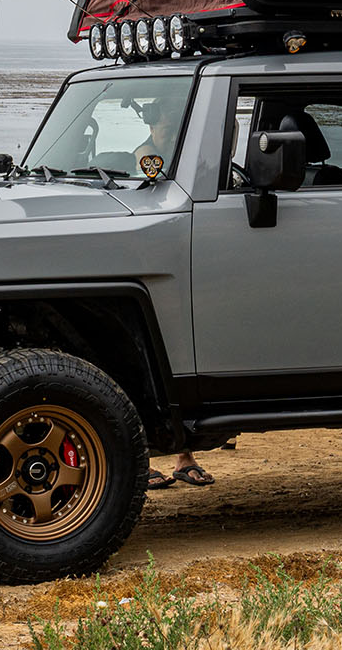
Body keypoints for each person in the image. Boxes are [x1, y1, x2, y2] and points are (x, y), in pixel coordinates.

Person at [135, 97, 216, 487]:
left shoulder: (178, 154)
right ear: (152, 120)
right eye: (164, 116)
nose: (167, 122)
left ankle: (183, 457)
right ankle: (142, 462)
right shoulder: (145, 158)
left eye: (171, 115)